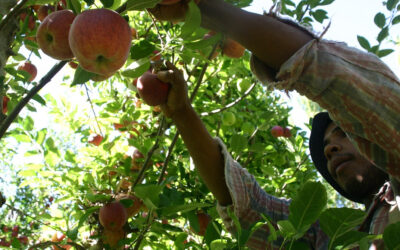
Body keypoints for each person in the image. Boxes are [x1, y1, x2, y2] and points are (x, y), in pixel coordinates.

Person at [150, 0, 400, 248]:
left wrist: (200, 9)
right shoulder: (330, 235)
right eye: (328, 144)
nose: (329, 149)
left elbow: (371, 101)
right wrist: (181, 112)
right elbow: (249, 207)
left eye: (343, 133)